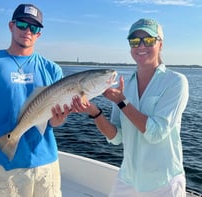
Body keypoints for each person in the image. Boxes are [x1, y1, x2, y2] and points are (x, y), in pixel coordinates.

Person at [0, 4, 70, 197]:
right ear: (11, 26)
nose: (28, 31)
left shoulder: (52, 69)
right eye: (22, 24)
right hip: (6, 167)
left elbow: (52, 122)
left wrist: (59, 120)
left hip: (47, 165)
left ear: (39, 34)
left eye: (34, 28)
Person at [72, 18, 189, 197]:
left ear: (160, 44)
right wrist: (94, 112)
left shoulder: (176, 82)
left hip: (164, 183)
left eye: (148, 40)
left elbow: (156, 133)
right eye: (135, 41)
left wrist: (122, 102)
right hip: (128, 178)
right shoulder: (125, 84)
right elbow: (116, 137)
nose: (141, 46)